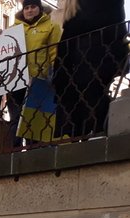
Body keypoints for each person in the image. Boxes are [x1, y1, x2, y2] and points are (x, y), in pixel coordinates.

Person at [53, 0, 128, 139]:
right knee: (78, 116)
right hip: (76, 69)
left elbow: (114, 25)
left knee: (93, 111)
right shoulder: (72, 9)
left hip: (97, 64)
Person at [8, 0, 63, 144]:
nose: (29, 10)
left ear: (39, 8)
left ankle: (34, 154)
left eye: (33, 7)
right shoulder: (14, 28)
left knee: (33, 122)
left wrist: (54, 75)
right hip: (16, 82)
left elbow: (54, 52)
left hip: (38, 81)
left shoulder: (52, 26)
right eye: (26, 8)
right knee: (15, 120)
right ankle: (14, 153)